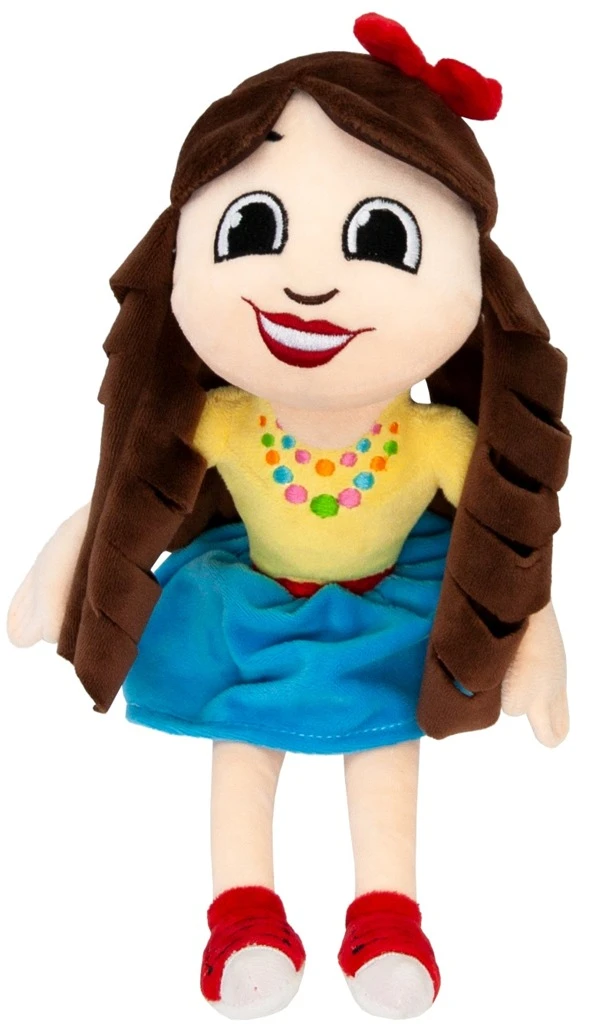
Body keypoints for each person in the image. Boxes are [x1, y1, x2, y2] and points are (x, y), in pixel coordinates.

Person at [7, 14, 570, 1020]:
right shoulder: (228, 420)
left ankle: (388, 917)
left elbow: (505, 530)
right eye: (255, 229)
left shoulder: (433, 439)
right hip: (248, 597)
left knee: (382, 751)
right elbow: (130, 481)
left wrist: (534, 634)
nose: (309, 284)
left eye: (381, 239)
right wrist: (69, 565)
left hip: (390, 603)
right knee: (242, 749)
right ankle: (244, 916)